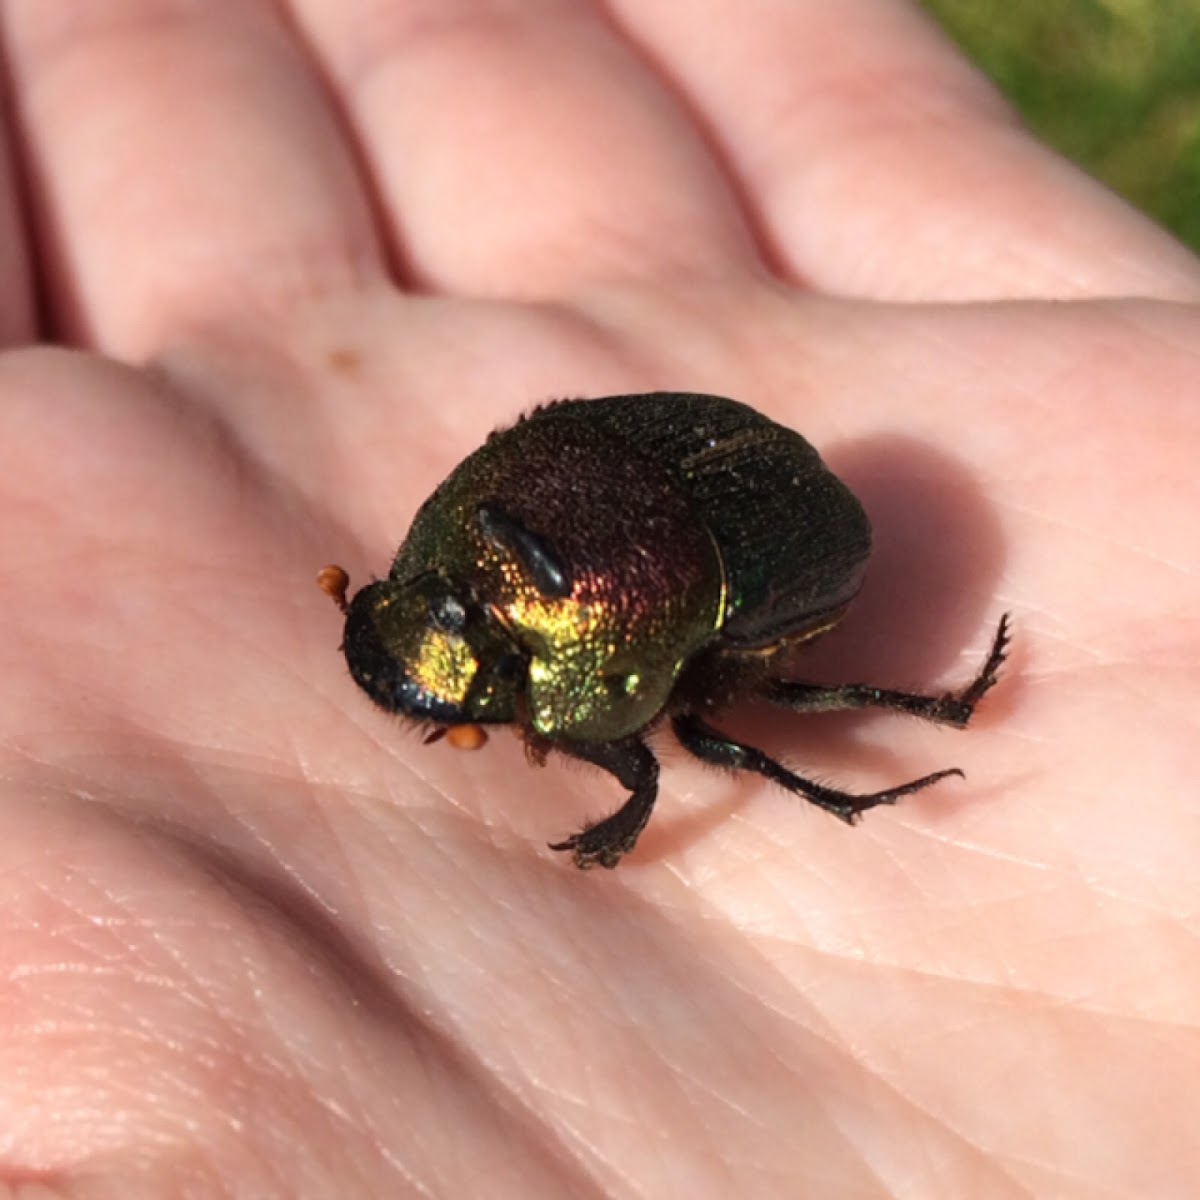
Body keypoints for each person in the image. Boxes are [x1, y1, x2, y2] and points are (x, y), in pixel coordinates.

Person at [2, 2, 1197, 1194]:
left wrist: (617, 816)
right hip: (667, 493)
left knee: (742, 729)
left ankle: (927, 717)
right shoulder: (474, 532)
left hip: (767, 544)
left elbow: (645, 759)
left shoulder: (623, 657)